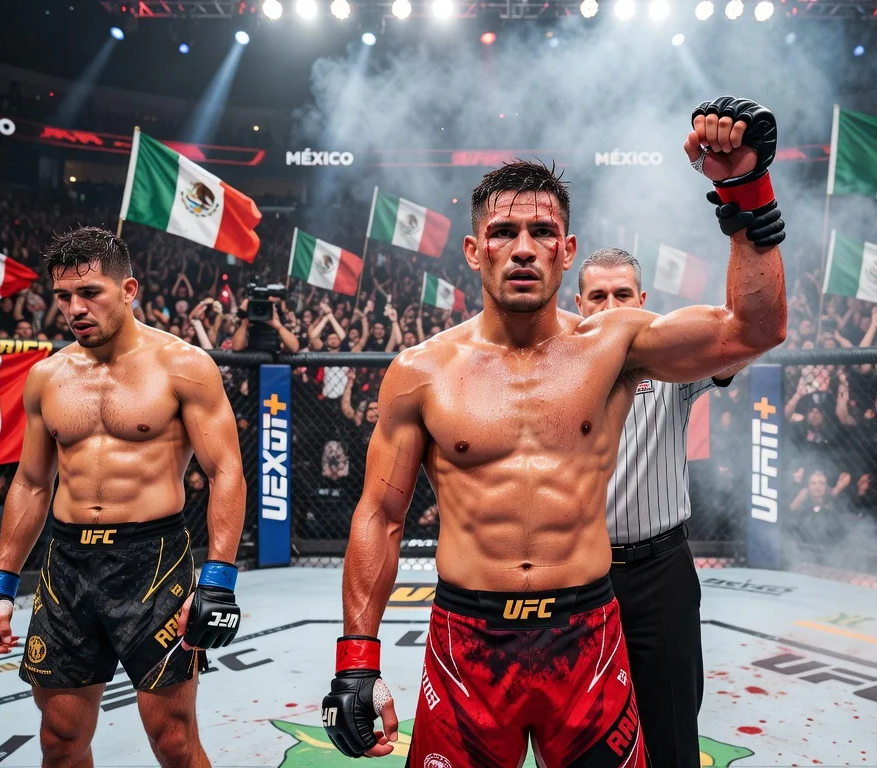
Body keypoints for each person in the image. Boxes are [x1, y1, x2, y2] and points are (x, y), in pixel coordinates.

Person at [321, 96, 787, 765]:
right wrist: (357, 661)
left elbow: (756, 329)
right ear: (475, 250)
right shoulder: (420, 372)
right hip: (465, 643)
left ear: (567, 252)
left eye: (542, 233)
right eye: (504, 233)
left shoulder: (616, 344)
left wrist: (747, 189)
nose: (522, 249)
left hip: (588, 639)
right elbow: (380, 514)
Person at [0, 227, 247, 768]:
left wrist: (218, 581)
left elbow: (225, 470)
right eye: (64, 296)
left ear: (128, 289)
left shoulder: (183, 365)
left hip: (153, 563)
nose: (75, 308)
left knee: (173, 739)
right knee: (60, 738)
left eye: (89, 292)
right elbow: (30, 483)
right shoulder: (47, 376)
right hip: (67, 564)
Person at [572, 246, 734, 766]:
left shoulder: (671, 367)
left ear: (644, 301)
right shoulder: (554, 372)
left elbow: (741, 337)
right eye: (598, 296)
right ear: (579, 305)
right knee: (583, 731)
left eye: (623, 294)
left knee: (670, 730)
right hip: (579, 575)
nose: (611, 305)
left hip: (661, 573)